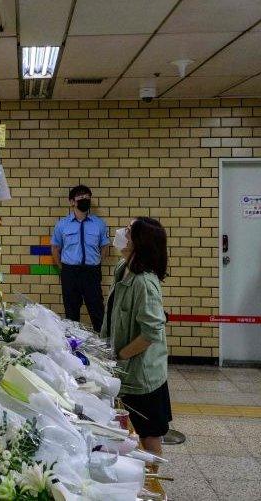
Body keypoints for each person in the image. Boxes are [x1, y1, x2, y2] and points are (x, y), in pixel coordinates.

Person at [100, 217, 170, 455]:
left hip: (142, 375)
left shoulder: (144, 283)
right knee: (128, 427)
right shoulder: (123, 268)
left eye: (128, 231)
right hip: (122, 368)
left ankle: (155, 482)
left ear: (139, 242)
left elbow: (151, 333)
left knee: (149, 432)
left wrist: (121, 355)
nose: (122, 233)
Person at [51, 185, 110, 329]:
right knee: (71, 312)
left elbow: (105, 247)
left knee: (97, 310)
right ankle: (73, 347)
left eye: (87, 196)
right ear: (72, 202)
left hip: (92, 272)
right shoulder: (62, 225)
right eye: (81, 196)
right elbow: (55, 248)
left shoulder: (99, 224)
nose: (85, 199)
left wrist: (96, 263)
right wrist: (62, 267)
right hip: (70, 273)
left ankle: (103, 346)